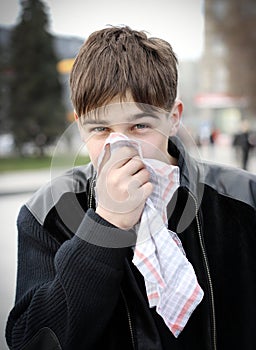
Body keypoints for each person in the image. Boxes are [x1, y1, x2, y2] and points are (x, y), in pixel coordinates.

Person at [6, 26, 256, 350]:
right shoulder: (48, 213)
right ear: (81, 125)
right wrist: (106, 224)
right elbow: (32, 340)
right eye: (100, 128)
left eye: (140, 126)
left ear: (173, 117)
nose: (121, 146)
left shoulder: (243, 199)